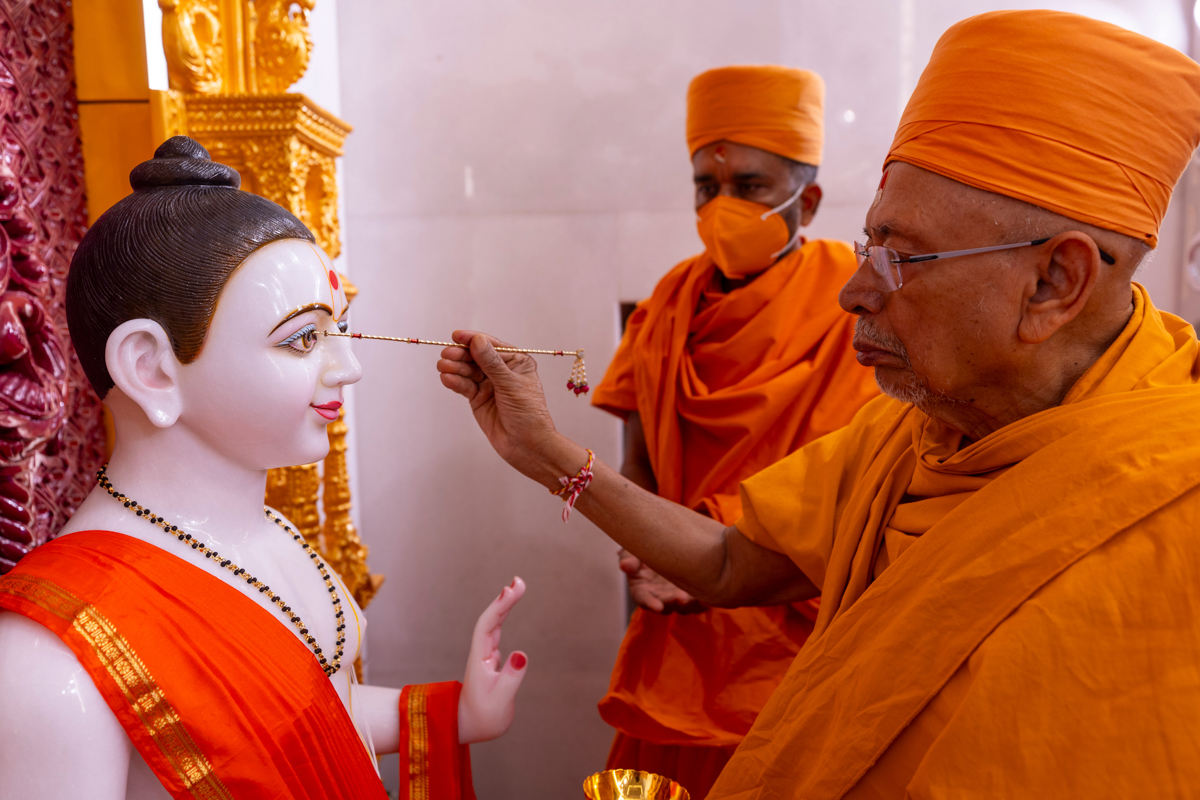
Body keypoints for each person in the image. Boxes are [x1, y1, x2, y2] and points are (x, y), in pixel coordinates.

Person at [439, 10, 1200, 796]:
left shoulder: (1171, 506)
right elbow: (734, 562)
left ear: (1053, 284)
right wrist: (544, 454)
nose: (854, 290)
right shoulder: (911, 431)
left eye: (900, 257)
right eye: (870, 244)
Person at [0, 137, 527, 800]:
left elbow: (301, 720)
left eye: (339, 331)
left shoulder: (272, 534)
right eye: (304, 339)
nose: (349, 369)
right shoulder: (54, 654)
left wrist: (456, 712)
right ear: (151, 368)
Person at [591, 65, 877, 798]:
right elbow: (639, 467)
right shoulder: (670, 299)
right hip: (681, 634)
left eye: (748, 186)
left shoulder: (858, 302)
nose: (721, 206)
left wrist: (720, 555)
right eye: (705, 187)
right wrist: (649, 551)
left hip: (800, 627)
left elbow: (866, 473)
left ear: (805, 201)